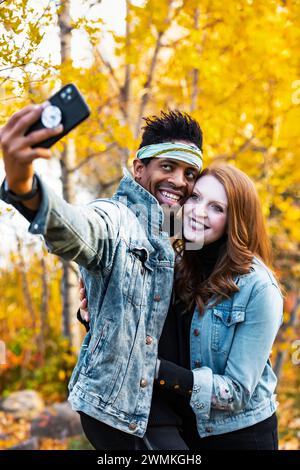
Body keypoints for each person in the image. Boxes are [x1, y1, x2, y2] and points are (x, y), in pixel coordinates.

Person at [0, 105, 203, 450]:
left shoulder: (177, 230)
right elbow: (76, 228)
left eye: (189, 173)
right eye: (167, 167)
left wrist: (95, 310)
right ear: (139, 168)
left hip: (173, 404)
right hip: (127, 411)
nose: (179, 181)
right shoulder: (118, 219)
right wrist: (24, 185)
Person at [79, 163, 283, 450]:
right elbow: (147, 324)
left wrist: (155, 370)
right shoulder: (178, 265)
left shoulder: (259, 288)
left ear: (235, 221)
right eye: (196, 198)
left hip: (241, 437)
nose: (199, 211)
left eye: (217, 208)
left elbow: (235, 393)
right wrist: (96, 311)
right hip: (186, 428)